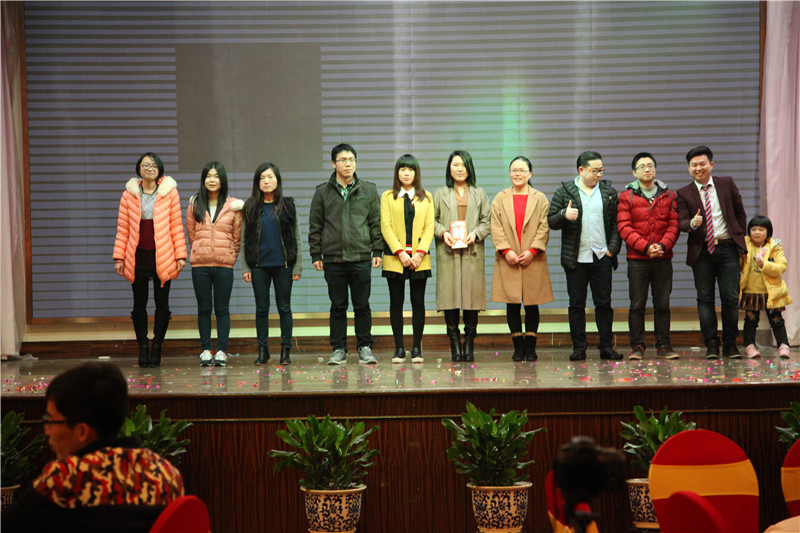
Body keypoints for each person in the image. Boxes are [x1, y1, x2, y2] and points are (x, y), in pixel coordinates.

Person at [1, 362, 184, 533]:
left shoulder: (66, 478)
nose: (47, 431)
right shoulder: (166, 474)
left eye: (51, 421)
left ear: (82, 431)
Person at [309, 144, 382, 365]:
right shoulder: (322, 192)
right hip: (333, 259)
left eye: (351, 160)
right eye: (343, 160)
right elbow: (315, 226)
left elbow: (375, 223)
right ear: (334, 164)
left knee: (362, 305)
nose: (348, 164)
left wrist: (377, 250)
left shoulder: (368, 190)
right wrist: (316, 254)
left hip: (361, 256)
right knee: (338, 306)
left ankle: (364, 347)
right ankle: (339, 348)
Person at [113, 152, 186, 368]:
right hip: (137, 256)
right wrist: (119, 257)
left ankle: (157, 347)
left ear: (159, 169)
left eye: (154, 165)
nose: (149, 169)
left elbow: (176, 226)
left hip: (163, 255)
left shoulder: (169, 193)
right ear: (139, 169)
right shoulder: (129, 194)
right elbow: (123, 229)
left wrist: (181, 255)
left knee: (162, 304)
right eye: (145, 165)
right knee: (139, 304)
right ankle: (143, 346)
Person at [548, 151, 622, 361]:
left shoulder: (608, 192)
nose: (599, 174)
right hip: (576, 259)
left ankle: (606, 347)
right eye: (594, 170)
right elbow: (551, 221)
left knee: (604, 304)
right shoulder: (564, 192)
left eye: (601, 170)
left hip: (602, 256)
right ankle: (579, 347)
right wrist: (564, 215)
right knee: (576, 305)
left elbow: (616, 224)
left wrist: (612, 249)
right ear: (581, 170)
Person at [676, 145, 747, 359]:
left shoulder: (726, 183)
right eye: (694, 165)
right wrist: (693, 223)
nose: (698, 168)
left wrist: (739, 238)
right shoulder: (683, 193)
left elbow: (740, 213)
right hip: (702, 252)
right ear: (689, 168)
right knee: (705, 299)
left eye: (702, 164)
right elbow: (681, 222)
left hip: (727, 248)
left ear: (711, 165)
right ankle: (711, 344)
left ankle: (730, 344)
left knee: (730, 298)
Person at [616, 152, 680, 360]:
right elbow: (624, 228)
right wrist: (645, 248)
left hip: (663, 258)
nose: (647, 169)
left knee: (663, 304)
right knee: (637, 305)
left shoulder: (669, 195)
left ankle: (664, 345)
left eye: (650, 165)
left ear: (655, 169)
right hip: (638, 260)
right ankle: (637, 346)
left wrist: (662, 245)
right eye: (642, 166)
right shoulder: (626, 197)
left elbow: (673, 225)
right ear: (634, 173)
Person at [490, 156, 554, 361]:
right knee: (512, 303)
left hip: (532, 258)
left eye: (522, 170)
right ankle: (518, 347)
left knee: (532, 303)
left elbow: (544, 227)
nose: (517, 174)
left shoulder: (540, 198)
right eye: (513, 170)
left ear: (530, 173)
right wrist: (506, 250)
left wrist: (533, 251)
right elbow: (495, 227)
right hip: (508, 258)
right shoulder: (500, 198)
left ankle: (531, 347)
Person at [433, 150, 491, 362]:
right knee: (449, 298)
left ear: (470, 168)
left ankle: (469, 344)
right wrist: (443, 233)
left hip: (471, 251)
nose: (459, 169)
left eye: (463, 165)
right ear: (449, 168)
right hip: (448, 251)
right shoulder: (440, 193)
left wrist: (475, 234)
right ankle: (455, 345)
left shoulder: (479, 193)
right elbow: (431, 220)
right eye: (455, 164)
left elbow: (487, 221)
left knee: (471, 299)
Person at [242, 162, 302, 365]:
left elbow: (297, 237)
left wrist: (297, 265)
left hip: (283, 265)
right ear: (257, 182)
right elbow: (244, 239)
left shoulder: (288, 205)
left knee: (284, 307)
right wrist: (245, 267)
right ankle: (263, 350)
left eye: (270, 177)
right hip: (258, 266)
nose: (266, 181)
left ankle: (286, 350)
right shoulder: (250, 207)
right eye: (262, 178)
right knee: (261, 308)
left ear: (277, 180)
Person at [186, 162, 242, 368]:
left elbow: (237, 238)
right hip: (200, 265)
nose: (212, 180)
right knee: (203, 308)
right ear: (203, 180)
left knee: (222, 309)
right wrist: (198, 251)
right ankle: (205, 350)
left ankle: (221, 351)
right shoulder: (194, 204)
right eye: (208, 176)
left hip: (224, 265)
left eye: (216, 176)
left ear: (222, 180)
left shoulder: (233, 206)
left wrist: (230, 256)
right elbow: (192, 235)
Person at [380, 154, 435, 364]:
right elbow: (385, 226)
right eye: (402, 169)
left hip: (420, 259)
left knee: (418, 303)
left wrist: (419, 253)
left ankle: (417, 348)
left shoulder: (426, 197)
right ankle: (399, 348)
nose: (406, 173)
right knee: (396, 303)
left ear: (416, 173)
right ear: (397, 173)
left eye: (410, 169)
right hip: (395, 259)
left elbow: (429, 227)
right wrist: (400, 252)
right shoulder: (387, 196)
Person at [739, 215, 792, 358]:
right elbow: (739, 265)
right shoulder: (745, 244)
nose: (757, 232)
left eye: (761, 229)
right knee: (750, 319)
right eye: (753, 229)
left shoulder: (774, 246)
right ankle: (749, 345)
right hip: (751, 290)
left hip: (771, 291)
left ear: (768, 231)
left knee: (776, 319)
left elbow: (781, 266)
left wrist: (765, 265)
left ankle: (783, 345)